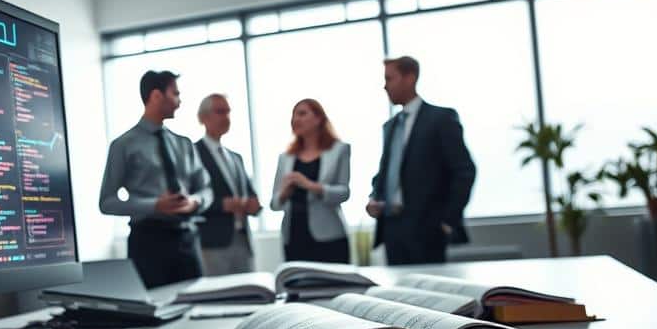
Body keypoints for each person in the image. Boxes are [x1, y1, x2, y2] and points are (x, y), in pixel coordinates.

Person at [99, 70, 213, 287]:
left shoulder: (184, 144)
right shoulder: (123, 145)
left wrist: (194, 202)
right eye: (175, 94)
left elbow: (206, 190)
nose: (180, 101)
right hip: (148, 243)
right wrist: (155, 205)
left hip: (187, 239)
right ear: (156, 96)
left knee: (199, 305)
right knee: (155, 312)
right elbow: (106, 202)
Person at [366, 56, 476, 265]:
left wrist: (447, 220)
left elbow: (464, 171)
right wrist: (374, 198)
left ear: (410, 78)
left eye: (389, 79)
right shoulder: (390, 126)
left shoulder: (441, 119)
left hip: (428, 229)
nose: (385, 86)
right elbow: (385, 172)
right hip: (392, 230)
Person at [270, 99, 351, 263]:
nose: (295, 119)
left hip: (329, 236)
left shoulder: (339, 150)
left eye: (302, 113)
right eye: (293, 115)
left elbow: (343, 193)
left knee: (336, 286)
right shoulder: (285, 158)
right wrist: (284, 193)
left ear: (319, 118)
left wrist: (311, 186)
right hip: (293, 235)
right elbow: (274, 204)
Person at [194, 94, 261, 275]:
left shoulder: (235, 157)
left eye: (228, 112)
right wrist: (221, 205)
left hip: (243, 241)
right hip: (212, 244)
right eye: (220, 112)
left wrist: (254, 205)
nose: (226, 117)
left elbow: (249, 193)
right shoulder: (193, 154)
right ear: (203, 117)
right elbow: (190, 199)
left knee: (250, 297)